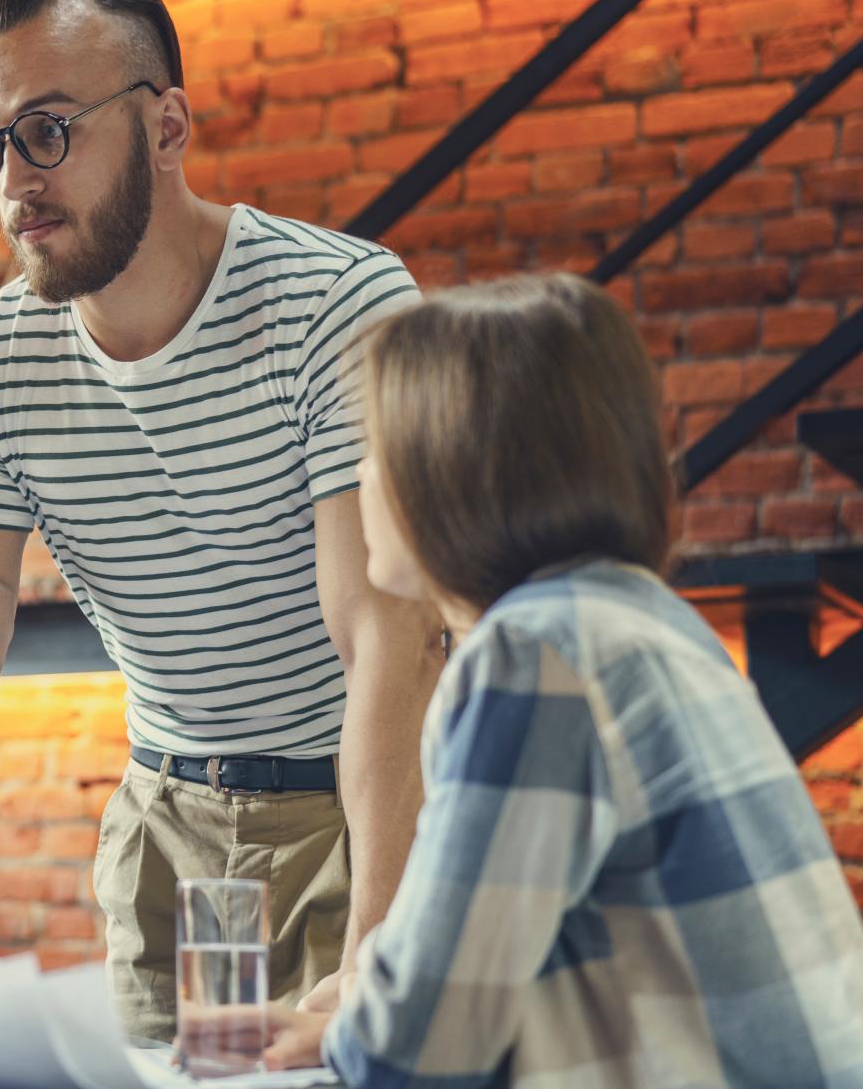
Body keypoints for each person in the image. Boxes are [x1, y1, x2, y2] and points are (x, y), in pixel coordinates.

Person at [0, 0, 442, 1037]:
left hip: (359, 812)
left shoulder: (339, 302)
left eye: (47, 131)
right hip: (176, 829)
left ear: (168, 127)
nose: (14, 180)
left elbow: (389, 634)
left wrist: (378, 939)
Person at [253, 274, 863, 1086]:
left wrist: (355, 1025)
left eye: (375, 444)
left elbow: (419, 1050)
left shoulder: (534, 655)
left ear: (454, 466)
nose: (358, 475)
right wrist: (360, 1018)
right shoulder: (646, 620)